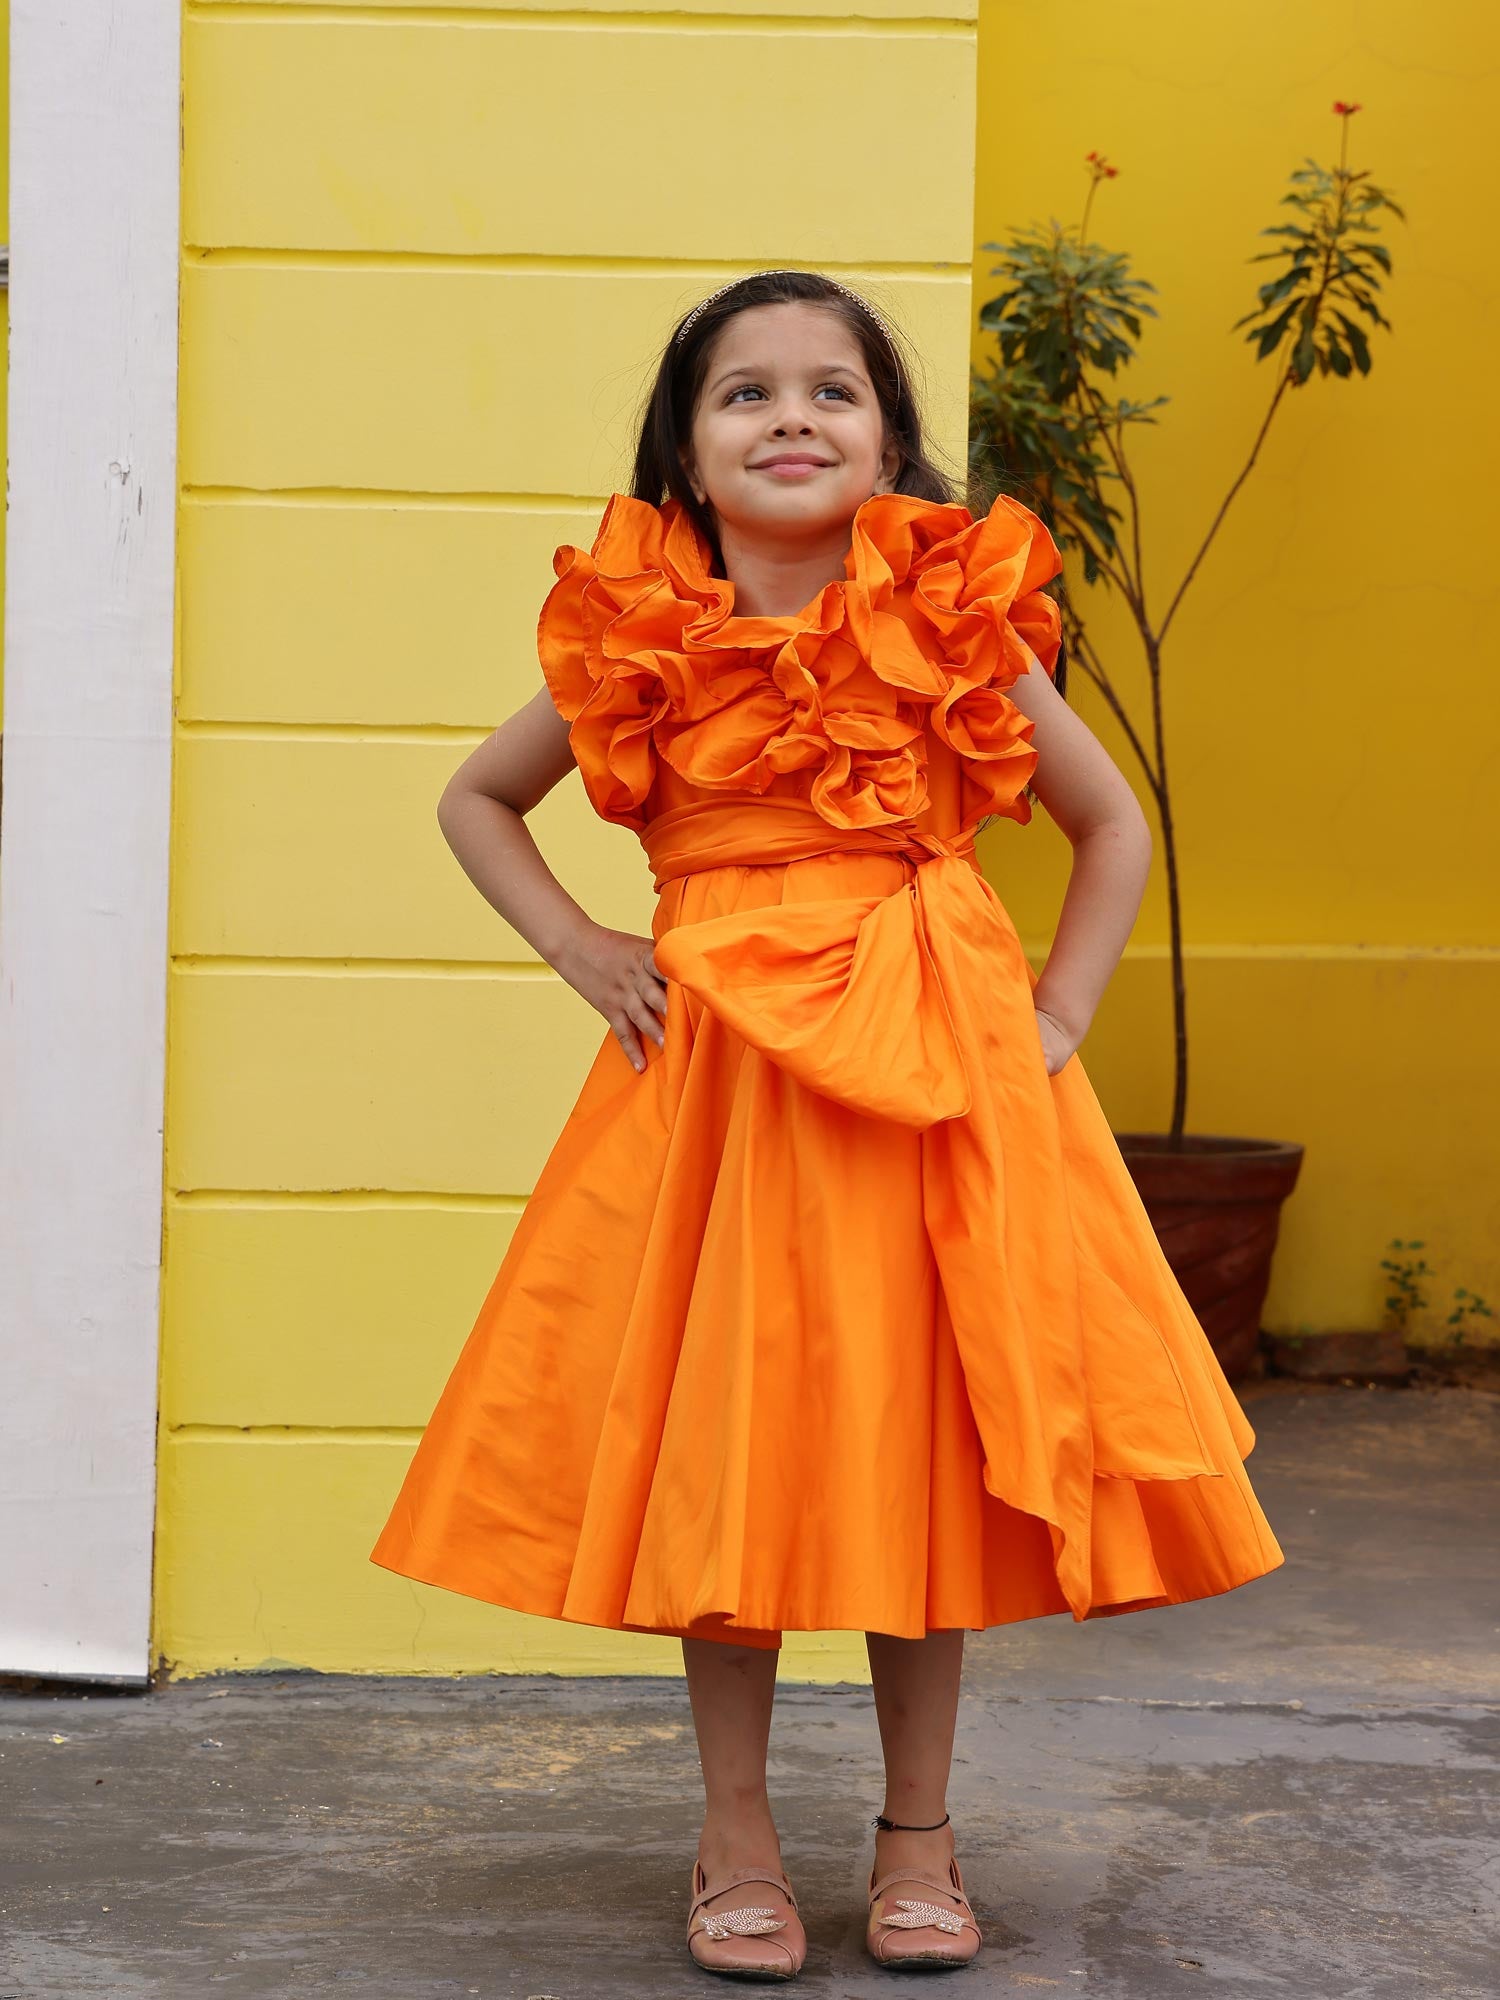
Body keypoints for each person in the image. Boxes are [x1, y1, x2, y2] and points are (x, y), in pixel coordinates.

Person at [369, 267, 1285, 1980]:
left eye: (832, 390)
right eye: (746, 392)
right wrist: (586, 948)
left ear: (886, 443)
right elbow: (477, 798)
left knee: (921, 1450)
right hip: (721, 1099)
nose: (792, 415)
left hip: (931, 1091)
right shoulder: (642, 640)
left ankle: (919, 1834)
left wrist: (1059, 1015)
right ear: (687, 450)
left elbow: (1110, 828)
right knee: (738, 1457)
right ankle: (733, 1836)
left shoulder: (951, 625)